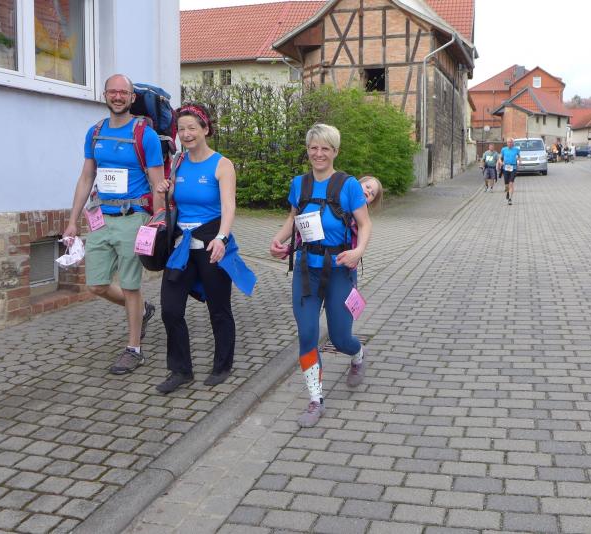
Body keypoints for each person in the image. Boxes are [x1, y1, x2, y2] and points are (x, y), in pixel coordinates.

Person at [269, 124, 382, 428]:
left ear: (335, 151)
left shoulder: (349, 186)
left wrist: (358, 251)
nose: (318, 154)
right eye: (313, 148)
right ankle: (315, 399)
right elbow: (293, 219)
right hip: (307, 270)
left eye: (325, 148)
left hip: (340, 270)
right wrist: (279, 240)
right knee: (307, 334)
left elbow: (365, 224)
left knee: (339, 338)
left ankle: (358, 354)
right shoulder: (299, 184)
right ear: (307, 150)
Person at [63, 74, 164, 375]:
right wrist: (72, 221)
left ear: (132, 98)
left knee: (131, 285)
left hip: (134, 217)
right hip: (100, 219)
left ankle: (134, 349)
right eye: (113, 92)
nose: (118, 97)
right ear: (104, 95)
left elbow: (157, 183)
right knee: (97, 284)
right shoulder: (95, 133)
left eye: (123, 92)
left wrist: (157, 222)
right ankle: (143, 310)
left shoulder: (145, 135)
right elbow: (86, 177)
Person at [155, 103, 256, 392]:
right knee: (170, 309)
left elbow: (229, 206)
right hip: (182, 246)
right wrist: (164, 191)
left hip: (212, 243)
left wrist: (222, 238)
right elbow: (172, 202)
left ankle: (222, 366)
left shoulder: (222, 165)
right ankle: (180, 370)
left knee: (219, 309)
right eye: (181, 129)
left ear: (205, 129)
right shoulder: (178, 162)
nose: (186, 134)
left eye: (192, 128)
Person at [499, 137, 521, 206]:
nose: (510, 143)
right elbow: (500, 158)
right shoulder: (503, 149)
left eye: (511, 142)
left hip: (513, 168)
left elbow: (519, 157)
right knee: (506, 185)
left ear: (513, 143)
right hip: (505, 168)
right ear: (507, 143)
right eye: (508, 142)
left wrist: (519, 162)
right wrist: (500, 162)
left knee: (511, 183)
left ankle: (510, 199)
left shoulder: (516, 149)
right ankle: (508, 192)